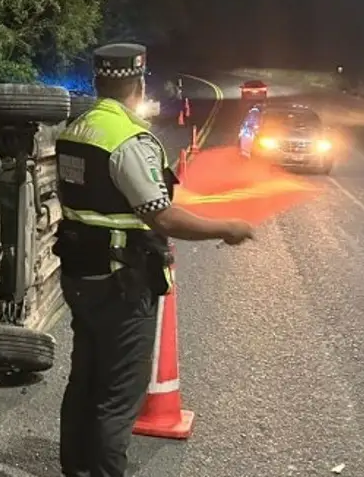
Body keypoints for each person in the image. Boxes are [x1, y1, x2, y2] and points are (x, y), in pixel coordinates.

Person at [53, 42, 254, 477]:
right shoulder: (127, 139)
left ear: (98, 81)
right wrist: (226, 227)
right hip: (119, 281)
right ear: (139, 82)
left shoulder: (76, 128)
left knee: (84, 381)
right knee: (118, 395)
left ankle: (76, 471)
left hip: (80, 275)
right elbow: (161, 215)